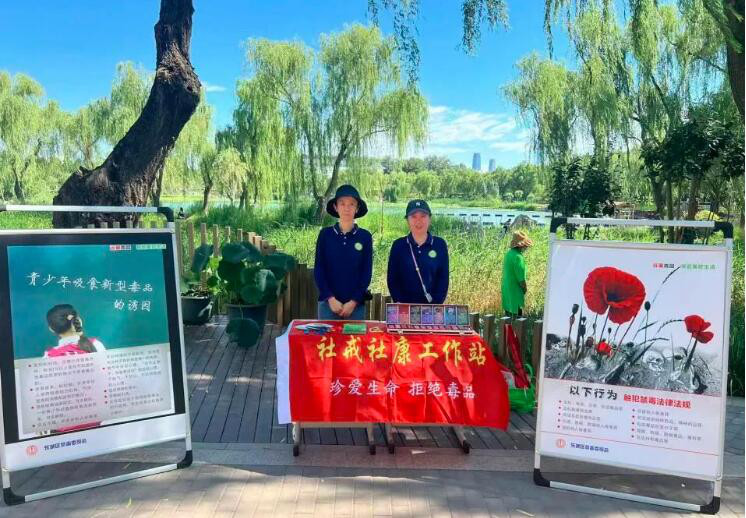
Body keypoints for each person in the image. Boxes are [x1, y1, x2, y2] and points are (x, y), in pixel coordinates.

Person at [314, 185, 373, 320]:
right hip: (328, 305)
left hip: (355, 307)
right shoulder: (325, 235)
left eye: (352, 204)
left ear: (357, 208)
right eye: (342, 203)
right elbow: (319, 269)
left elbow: (366, 273)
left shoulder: (365, 237)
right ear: (336, 207)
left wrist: (353, 302)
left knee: (354, 336)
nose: (347, 208)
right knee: (326, 335)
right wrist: (330, 298)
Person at [387, 200, 449, 304]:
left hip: (431, 308)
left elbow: (443, 279)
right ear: (407, 221)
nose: (418, 221)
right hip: (404, 307)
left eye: (423, 216)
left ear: (430, 219)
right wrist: (400, 303)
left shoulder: (439, 245)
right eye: (413, 217)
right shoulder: (398, 245)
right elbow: (392, 279)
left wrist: (435, 306)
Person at [501, 231, 532, 317]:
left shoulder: (508, 254)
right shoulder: (518, 257)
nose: (526, 247)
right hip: (515, 293)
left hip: (506, 290)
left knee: (507, 319)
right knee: (517, 320)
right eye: (526, 246)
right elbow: (521, 280)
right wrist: (525, 289)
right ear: (522, 245)